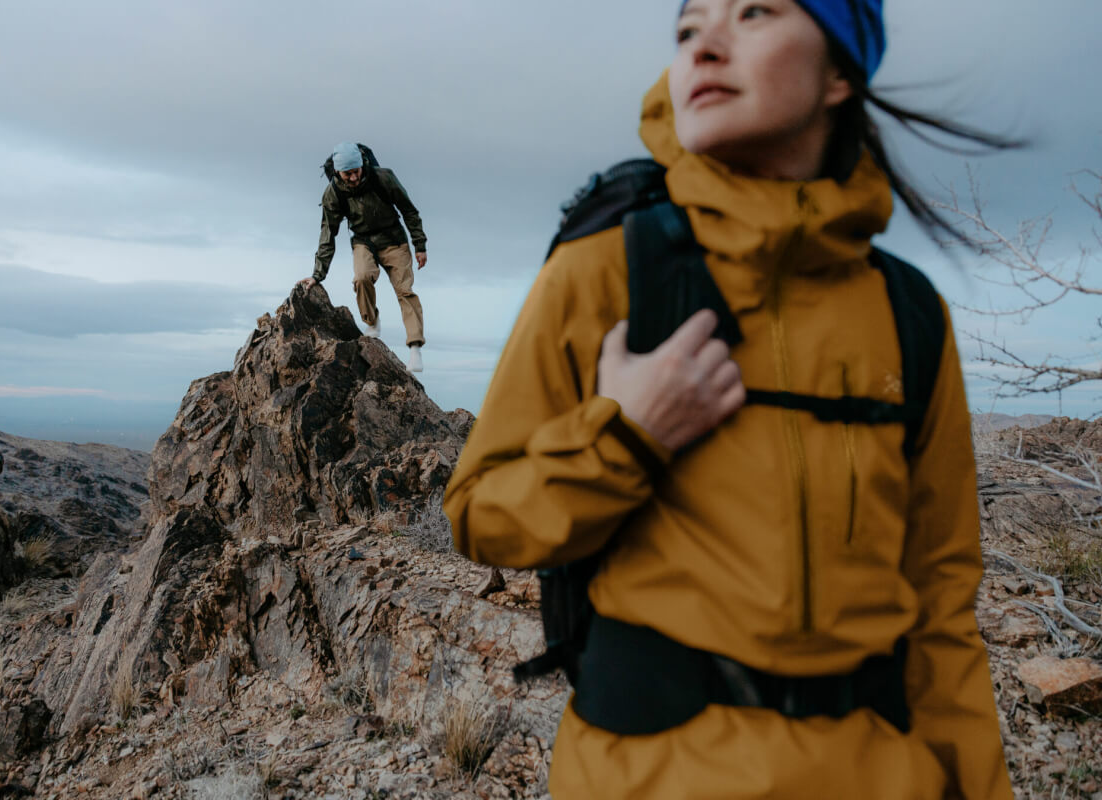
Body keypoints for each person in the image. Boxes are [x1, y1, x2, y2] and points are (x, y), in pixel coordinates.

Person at [444, 1, 1016, 798]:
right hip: (650, 778)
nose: (704, 46)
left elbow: (943, 614)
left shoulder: (908, 314)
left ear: (841, 72)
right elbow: (480, 512)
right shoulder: (606, 269)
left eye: (753, 12)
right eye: (686, 30)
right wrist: (627, 437)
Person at [302, 141, 428, 373]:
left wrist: (419, 244)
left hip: (394, 241)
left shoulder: (383, 178)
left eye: (356, 171)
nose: (353, 177)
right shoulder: (334, 193)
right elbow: (328, 233)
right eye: (347, 174)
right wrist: (317, 275)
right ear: (338, 173)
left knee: (405, 291)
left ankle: (415, 349)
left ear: (362, 165)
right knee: (361, 277)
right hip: (364, 242)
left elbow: (408, 210)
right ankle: (371, 321)